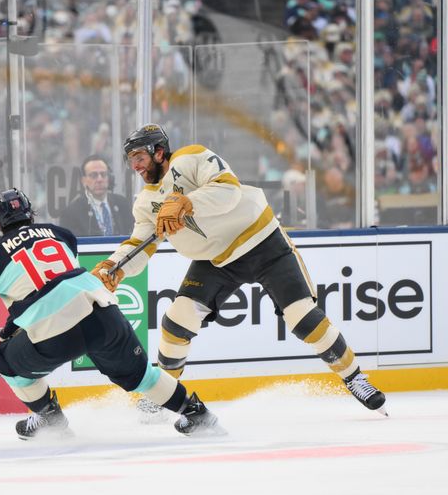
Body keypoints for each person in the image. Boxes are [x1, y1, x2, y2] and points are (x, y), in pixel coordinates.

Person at [91, 124, 387, 416]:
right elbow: (140, 242)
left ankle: (355, 378)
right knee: (176, 322)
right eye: (131, 161)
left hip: (263, 242)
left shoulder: (191, 157)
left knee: (304, 318)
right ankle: (163, 394)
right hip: (217, 261)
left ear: (158, 151)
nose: (136, 166)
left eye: (139, 157)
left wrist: (186, 202)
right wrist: (113, 267)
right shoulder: (145, 203)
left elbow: (228, 190)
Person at [0, 188, 222, 439]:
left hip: (54, 330)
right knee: (141, 375)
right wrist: (14, 322)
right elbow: (51, 279)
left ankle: (50, 417)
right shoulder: (61, 234)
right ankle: (196, 412)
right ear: (30, 215)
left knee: (6, 360)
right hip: (103, 313)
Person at [59, 155, 134, 236]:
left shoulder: (122, 203)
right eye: (93, 175)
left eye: (103, 174)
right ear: (84, 181)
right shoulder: (72, 213)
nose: (99, 179)